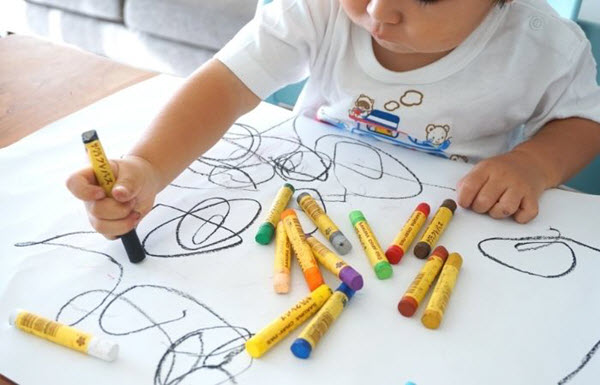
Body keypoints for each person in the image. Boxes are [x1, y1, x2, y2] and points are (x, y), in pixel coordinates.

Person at [66, 0, 600, 239]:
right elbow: (226, 84)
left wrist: (533, 164)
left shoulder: (543, 46)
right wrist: (149, 165)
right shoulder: (316, 7)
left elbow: (583, 122)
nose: (380, 12)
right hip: (311, 208)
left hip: (454, 227)